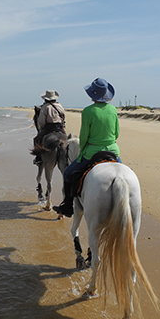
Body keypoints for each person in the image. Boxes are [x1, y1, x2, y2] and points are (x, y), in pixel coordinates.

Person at [53, 78, 121, 217]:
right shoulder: (113, 110)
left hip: (92, 152)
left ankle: (67, 206)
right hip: (113, 151)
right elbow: (117, 133)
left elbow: (84, 136)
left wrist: (83, 150)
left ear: (92, 94)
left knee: (67, 174)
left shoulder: (88, 111)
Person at [33, 90, 66, 165]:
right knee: (67, 140)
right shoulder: (59, 105)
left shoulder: (45, 107)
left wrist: (43, 127)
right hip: (59, 127)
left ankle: (39, 159)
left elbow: (41, 121)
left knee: (36, 140)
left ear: (46, 99)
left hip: (49, 127)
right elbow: (63, 116)